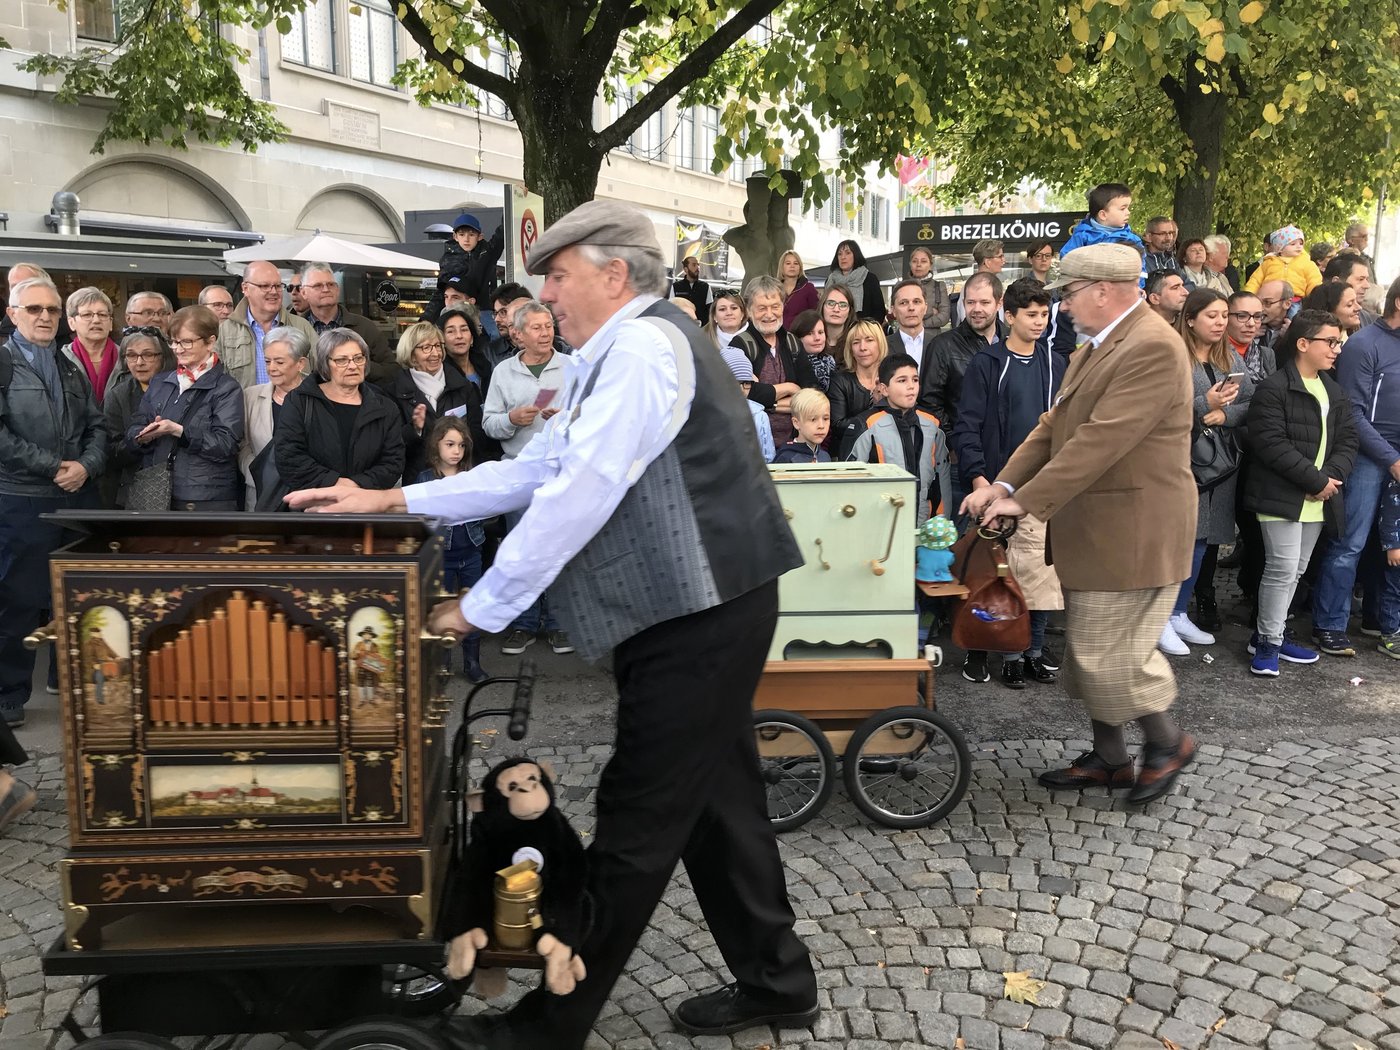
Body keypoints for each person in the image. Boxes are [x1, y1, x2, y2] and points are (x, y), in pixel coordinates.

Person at [285, 198, 819, 1050]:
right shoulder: (615, 352)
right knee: (720, 805)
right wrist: (394, 497)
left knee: (637, 819)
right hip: (701, 607)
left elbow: (579, 491)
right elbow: (537, 467)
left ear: (614, 275)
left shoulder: (644, 348)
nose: (547, 299)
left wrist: (480, 605)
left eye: (559, 278)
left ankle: (541, 1032)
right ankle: (778, 982)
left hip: (700, 614)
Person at [962, 243, 1197, 804]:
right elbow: (1053, 427)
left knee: (1108, 655)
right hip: (1100, 529)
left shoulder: (1154, 347)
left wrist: (1028, 501)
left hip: (1137, 531)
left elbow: (1102, 441)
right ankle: (1111, 757)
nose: (1061, 306)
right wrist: (1004, 485)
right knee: (1089, 648)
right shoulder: (1098, 346)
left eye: (1066, 294)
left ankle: (1167, 744)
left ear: (1101, 291)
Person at [0, 276, 106, 728]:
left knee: (77, 598)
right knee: (18, 601)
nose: (45, 317)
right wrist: (51, 466)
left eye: (52, 311)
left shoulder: (68, 367)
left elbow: (97, 426)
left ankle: (76, 685)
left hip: (75, 496)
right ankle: (9, 694)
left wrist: (86, 465)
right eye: (35, 309)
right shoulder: (3, 363)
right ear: (13, 314)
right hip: (21, 499)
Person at [951, 278, 1065, 688]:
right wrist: (981, 481)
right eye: (1030, 315)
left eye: (1044, 315)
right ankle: (987, 648)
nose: (1039, 322)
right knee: (993, 571)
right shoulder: (988, 363)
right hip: (995, 483)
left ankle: (1030, 651)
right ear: (1009, 315)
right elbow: (967, 426)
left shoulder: (1056, 363)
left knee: (1041, 574)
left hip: (1041, 487)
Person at [1243, 311, 1358, 674]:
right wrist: (1315, 481)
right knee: (1281, 568)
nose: (1336, 350)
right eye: (1330, 342)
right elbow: (1271, 444)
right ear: (1303, 343)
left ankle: (1270, 631)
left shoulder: (1333, 390)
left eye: (1339, 342)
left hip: (1319, 495)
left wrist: (1330, 479)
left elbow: (1348, 440)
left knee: (1297, 570)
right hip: (1284, 494)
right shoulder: (1274, 388)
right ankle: (1267, 642)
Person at [1160, 289, 1253, 654]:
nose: (1220, 322)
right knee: (1177, 544)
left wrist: (1224, 414)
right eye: (1212, 315)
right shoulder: (1173, 356)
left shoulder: (1227, 357)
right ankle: (1160, 618)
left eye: (1223, 315)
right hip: (1181, 463)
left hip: (1219, 466)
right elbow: (1161, 408)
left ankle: (1179, 612)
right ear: (1191, 318)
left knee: (1202, 543)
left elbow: (1250, 402)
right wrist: (1204, 405)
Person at [1311, 275, 1400, 657]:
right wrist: (1392, 458)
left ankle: (1380, 620)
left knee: (1391, 546)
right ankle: (1329, 624)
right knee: (1350, 542)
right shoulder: (1365, 345)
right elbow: (1353, 414)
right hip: (1369, 457)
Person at [482, 300, 575, 656]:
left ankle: (557, 624)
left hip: (562, 472)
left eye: (549, 325)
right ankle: (523, 624)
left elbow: (593, 414)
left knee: (557, 551)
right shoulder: (503, 372)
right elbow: (488, 422)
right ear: (518, 334)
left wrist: (567, 417)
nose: (546, 332)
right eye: (536, 327)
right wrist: (510, 420)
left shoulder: (571, 367)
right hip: (520, 471)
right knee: (519, 552)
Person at [127, 305, 245, 512]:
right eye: (174, 342)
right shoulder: (161, 382)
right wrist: (141, 436)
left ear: (211, 341)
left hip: (205, 497)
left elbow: (226, 444)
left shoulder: (226, 387)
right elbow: (135, 426)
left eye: (187, 342)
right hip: (157, 489)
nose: (178, 349)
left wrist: (179, 431)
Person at [274, 328, 405, 499]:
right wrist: (335, 484)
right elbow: (289, 456)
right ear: (325, 364)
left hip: (367, 506)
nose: (352, 366)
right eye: (342, 360)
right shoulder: (300, 401)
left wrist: (356, 486)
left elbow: (393, 462)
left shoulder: (385, 407)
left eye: (358, 358)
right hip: (314, 507)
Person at [918, 272, 1007, 514]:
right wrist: (955, 446)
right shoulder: (943, 346)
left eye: (984, 302)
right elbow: (929, 404)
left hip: (1007, 463)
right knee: (955, 538)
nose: (976, 309)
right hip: (959, 462)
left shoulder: (1012, 343)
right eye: (970, 302)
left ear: (999, 303)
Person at [418, 416, 488, 682]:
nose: (456, 451)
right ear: (436, 445)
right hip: (440, 557)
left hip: (470, 553)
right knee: (442, 608)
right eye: (450, 444)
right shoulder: (425, 478)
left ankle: (472, 663)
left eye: (461, 445)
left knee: (473, 607)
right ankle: (442, 663)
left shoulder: (471, 476)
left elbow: (483, 509)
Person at [848, 353, 952, 525]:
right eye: (902, 381)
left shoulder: (932, 423)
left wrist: (943, 521)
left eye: (915, 380)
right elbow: (851, 483)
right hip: (880, 526)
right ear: (884, 388)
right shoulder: (866, 425)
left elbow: (943, 476)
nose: (911, 386)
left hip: (925, 526)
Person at [383, 322, 485, 484]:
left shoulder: (462, 386)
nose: (435, 353)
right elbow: (391, 443)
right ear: (411, 354)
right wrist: (414, 429)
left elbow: (477, 433)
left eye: (438, 346)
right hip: (419, 479)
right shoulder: (394, 393)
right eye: (426, 347)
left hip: (460, 477)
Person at [239, 325, 310, 510]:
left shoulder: (318, 397)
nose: (272, 368)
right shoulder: (250, 396)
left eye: (279, 362)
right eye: (267, 361)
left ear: (300, 363)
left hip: (306, 493)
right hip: (261, 493)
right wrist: (256, 473)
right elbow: (243, 445)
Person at [730, 276, 804, 448]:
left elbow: (811, 391)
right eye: (762, 308)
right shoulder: (739, 345)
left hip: (792, 445)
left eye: (775, 307)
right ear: (748, 311)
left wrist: (768, 402)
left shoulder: (792, 343)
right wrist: (790, 388)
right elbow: (742, 393)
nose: (769, 314)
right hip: (752, 446)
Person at [104, 330, 175, 508]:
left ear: (163, 357)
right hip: (136, 486)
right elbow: (110, 451)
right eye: (131, 356)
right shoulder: (118, 395)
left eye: (148, 355)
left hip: (180, 484)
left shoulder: (179, 387)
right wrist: (138, 442)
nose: (139, 362)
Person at [219, 260, 317, 387]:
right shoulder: (225, 331)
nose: (273, 292)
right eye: (265, 286)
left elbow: (324, 372)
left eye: (277, 286)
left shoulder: (302, 327)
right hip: (246, 406)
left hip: (294, 406)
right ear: (245, 288)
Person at [298, 262, 395, 383]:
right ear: (303, 293)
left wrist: (358, 364)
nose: (326, 289)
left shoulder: (364, 326)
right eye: (318, 286)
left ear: (337, 289)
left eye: (330, 284)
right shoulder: (296, 329)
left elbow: (391, 369)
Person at [427, 212, 505, 326]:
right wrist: (427, 318)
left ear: (479, 237)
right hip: (458, 311)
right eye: (462, 234)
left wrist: (510, 209)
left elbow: (501, 235)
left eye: (471, 235)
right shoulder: (448, 259)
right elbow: (440, 292)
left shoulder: (487, 253)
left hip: (484, 311)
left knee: (494, 337)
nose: (466, 239)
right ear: (455, 236)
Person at [828, 319, 887, 458]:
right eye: (856, 342)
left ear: (880, 343)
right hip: (849, 456)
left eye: (869, 340)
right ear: (850, 350)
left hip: (887, 454)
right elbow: (837, 425)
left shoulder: (892, 379)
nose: (862, 347)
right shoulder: (840, 381)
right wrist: (877, 408)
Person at [62, 287, 119, 405]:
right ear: (71, 322)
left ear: (111, 323)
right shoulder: (61, 360)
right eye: (87, 314)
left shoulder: (128, 358)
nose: (96, 320)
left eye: (102, 314)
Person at [720, 348, 776, 462]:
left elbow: (768, 457)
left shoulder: (760, 416)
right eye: (735, 383)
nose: (741, 390)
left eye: (746, 383)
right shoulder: (709, 415)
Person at [1059, 183, 1144, 256]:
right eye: (1123, 209)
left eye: (1128, 208)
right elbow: (1066, 258)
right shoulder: (1083, 236)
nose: (1128, 212)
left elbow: (1140, 268)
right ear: (1103, 215)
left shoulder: (1132, 239)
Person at [0, 263, 73, 345]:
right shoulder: (4, 337)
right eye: (14, 286)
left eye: (27, 285)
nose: (45, 318)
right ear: (12, 314)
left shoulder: (70, 340)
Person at [1245, 226, 1322, 298]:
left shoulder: (1307, 262)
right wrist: (1249, 295)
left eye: (1301, 243)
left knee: (1295, 312)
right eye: (1293, 244)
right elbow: (1255, 281)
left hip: (1295, 299)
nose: (1299, 246)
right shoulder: (1269, 262)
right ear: (1280, 248)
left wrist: (1314, 296)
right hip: (1269, 299)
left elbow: (1314, 280)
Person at [826, 239, 885, 321]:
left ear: (856, 255)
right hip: (834, 330)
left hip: (862, 330)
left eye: (848, 253)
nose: (843, 257)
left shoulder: (869, 278)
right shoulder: (831, 279)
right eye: (839, 254)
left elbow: (879, 311)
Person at [951, 239, 1006, 326]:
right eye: (1000, 257)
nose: (1004, 261)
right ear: (987, 262)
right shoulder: (970, 287)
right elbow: (966, 318)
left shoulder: (997, 285)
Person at [886, 279, 936, 372]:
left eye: (916, 302)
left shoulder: (939, 345)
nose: (911, 308)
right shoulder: (883, 347)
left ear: (925, 308)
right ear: (893, 310)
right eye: (903, 303)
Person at [772, 388, 832, 464]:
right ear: (796, 423)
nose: (821, 426)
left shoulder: (825, 457)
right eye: (813, 419)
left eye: (826, 419)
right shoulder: (786, 457)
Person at [787, 309, 836, 392]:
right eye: (810, 333)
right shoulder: (789, 364)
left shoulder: (830, 361)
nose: (817, 338)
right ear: (798, 337)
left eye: (820, 332)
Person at [1323, 254, 1376, 326]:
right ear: (1336, 282)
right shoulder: (1310, 323)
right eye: (1360, 279)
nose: (1367, 286)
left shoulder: (1365, 319)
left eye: (1367, 279)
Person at [908, 247, 952, 332]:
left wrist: (921, 324)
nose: (918, 265)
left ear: (930, 265)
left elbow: (944, 317)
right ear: (910, 264)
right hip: (907, 336)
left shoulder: (939, 286)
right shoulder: (901, 287)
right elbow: (899, 314)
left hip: (932, 339)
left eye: (923, 261)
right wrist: (931, 311)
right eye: (914, 261)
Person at [778, 250, 820, 328]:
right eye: (788, 263)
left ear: (800, 267)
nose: (792, 266)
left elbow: (816, 314)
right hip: (777, 334)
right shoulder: (775, 289)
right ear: (782, 267)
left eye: (796, 263)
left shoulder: (808, 288)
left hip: (799, 334)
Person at [671, 255, 714, 326]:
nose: (697, 268)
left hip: (700, 330)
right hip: (681, 327)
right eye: (694, 265)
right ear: (685, 269)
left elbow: (710, 310)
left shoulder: (705, 287)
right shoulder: (676, 287)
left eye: (698, 265)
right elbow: (671, 308)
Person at [818, 284, 855, 358]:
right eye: (830, 303)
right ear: (822, 306)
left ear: (850, 311)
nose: (836, 309)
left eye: (843, 305)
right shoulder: (811, 341)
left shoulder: (856, 343)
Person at [1256, 279, 1294, 349]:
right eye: (1258, 302)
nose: (1260, 308)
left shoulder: (1298, 329)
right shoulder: (1251, 325)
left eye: (1267, 302)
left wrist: (1291, 338)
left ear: (1287, 303)